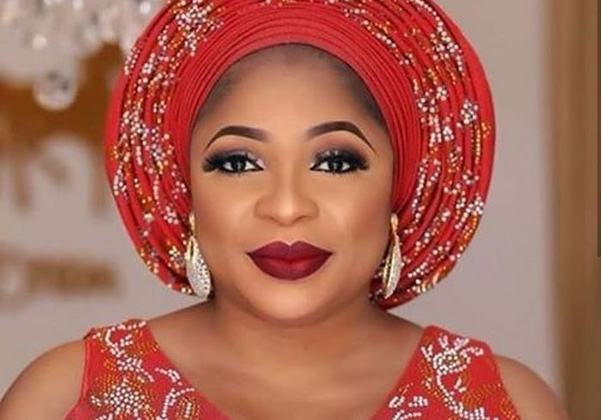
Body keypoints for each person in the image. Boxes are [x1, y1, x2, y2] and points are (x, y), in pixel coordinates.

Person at [0, 0, 569, 419]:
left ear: (399, 188)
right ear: (186, 191)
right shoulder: (66, 398)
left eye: (336, 161)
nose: (287, 206)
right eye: (238, 162)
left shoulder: (505, 405)